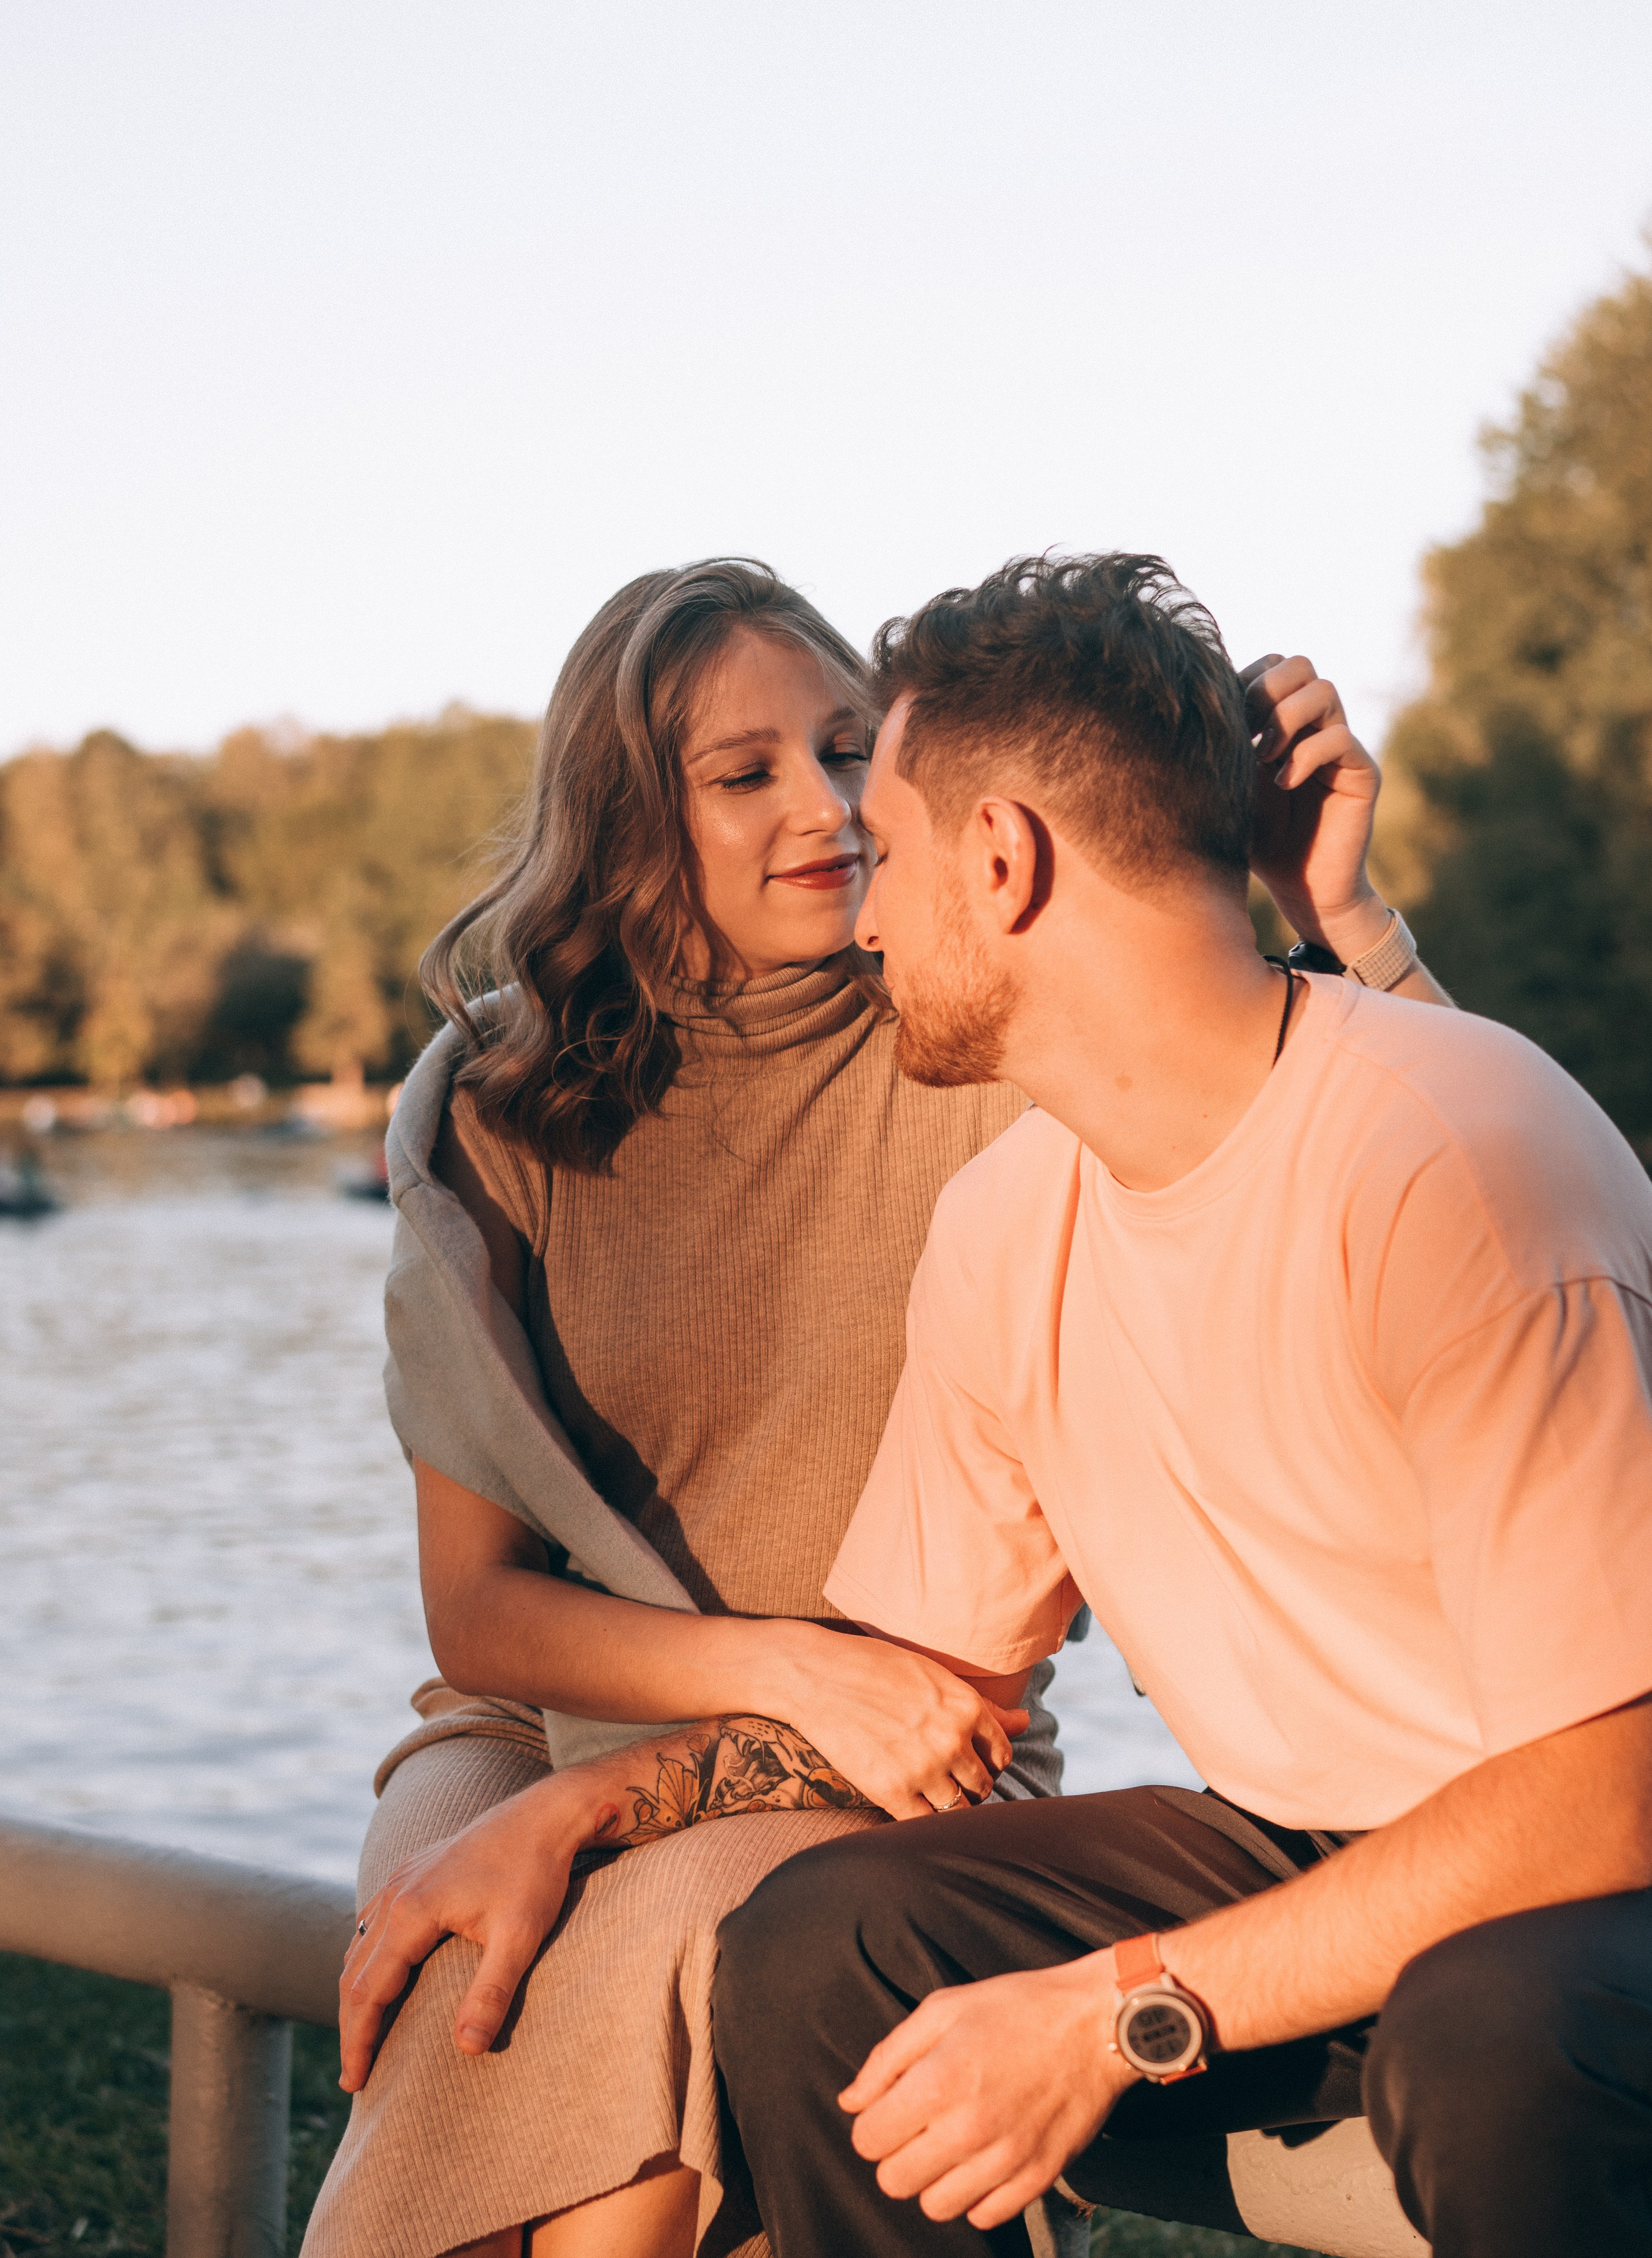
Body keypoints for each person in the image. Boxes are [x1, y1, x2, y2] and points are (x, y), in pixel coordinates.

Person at [303, 558, 1435, 2258]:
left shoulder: (973, 1035)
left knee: (648, 1979)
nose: (826, 809)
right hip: (532, 1725)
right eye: (743, 772)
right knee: (456, 1971)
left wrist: (1347, 921)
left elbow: (1424, 1179)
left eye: (849, 752)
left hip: (901, 1743)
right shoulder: (496, 1104)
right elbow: (478, 1609)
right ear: (631, 819)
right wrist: (777, 1664)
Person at [710, 552, 1652, 2258]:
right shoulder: (1002, 1228)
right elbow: (935, 1691)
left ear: (1001, 859)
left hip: (1597, 1885)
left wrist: (1116, 2011)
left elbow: (1605, 1797)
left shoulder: (1454, 1165)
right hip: (1321, 1856)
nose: (865, 917)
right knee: (825, 1943)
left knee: (1490, 2035)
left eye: (891, 852)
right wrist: (577, 1811)